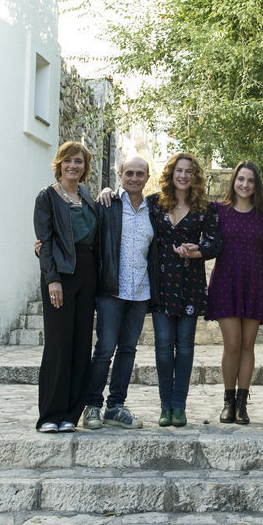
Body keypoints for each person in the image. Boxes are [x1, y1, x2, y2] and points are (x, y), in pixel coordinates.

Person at [79, 157, 157, 431]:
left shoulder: (153, 210)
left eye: (140, 174)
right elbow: (87, 239)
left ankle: (116, 406)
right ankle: (92, 405)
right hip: (111, 290)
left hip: (140, 292)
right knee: (104, 349)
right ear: (120, 175)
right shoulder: (107, 205)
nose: (134, 178)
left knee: (128, 350)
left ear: (147, 177)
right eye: (129, 173)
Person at [147, 153, 222, 427]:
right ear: (171, 174)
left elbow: (214, 244)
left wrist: (196, 250)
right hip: (161, 283)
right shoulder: (154, 203)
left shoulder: (205, 207)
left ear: (195, 176)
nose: (183, 176)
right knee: (163, 346)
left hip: (190, 284)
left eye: (188, 171)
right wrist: (108, 191)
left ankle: (179, 406)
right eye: (179, 170)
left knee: (186, 347)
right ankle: (165, 405)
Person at [33, 142, 99, 433]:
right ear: (59, 164)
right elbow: (45, 241)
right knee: (59, 344)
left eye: (79, 161)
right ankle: (50, 414)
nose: (73, 166)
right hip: (61, 272)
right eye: (68, 161)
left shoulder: (87, 196)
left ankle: (72, 413)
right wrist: (52, 279)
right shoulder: (46, 197)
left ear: (85, 167)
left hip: (88, 272)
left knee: (81, 344)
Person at [207, 161, 263, 425]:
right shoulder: (217, 210)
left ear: (256, 185)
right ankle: (228, 401)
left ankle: (243, 404)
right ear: (233, 181)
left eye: (250, 180)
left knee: (247, 345)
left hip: (254, 282)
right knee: (232, 344)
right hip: (226, 282)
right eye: (241, 179)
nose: (245, 184)